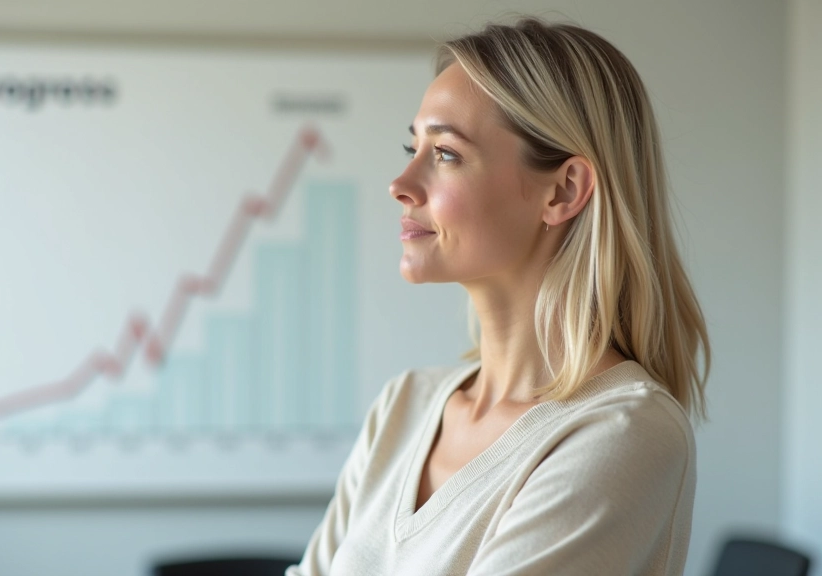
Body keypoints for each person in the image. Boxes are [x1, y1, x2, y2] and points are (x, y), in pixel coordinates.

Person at [286, 16, 711, 576]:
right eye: (414, 147)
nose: (401, 183)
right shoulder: (404, 406)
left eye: (446, 154)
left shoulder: (622, 432)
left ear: (562, 191)